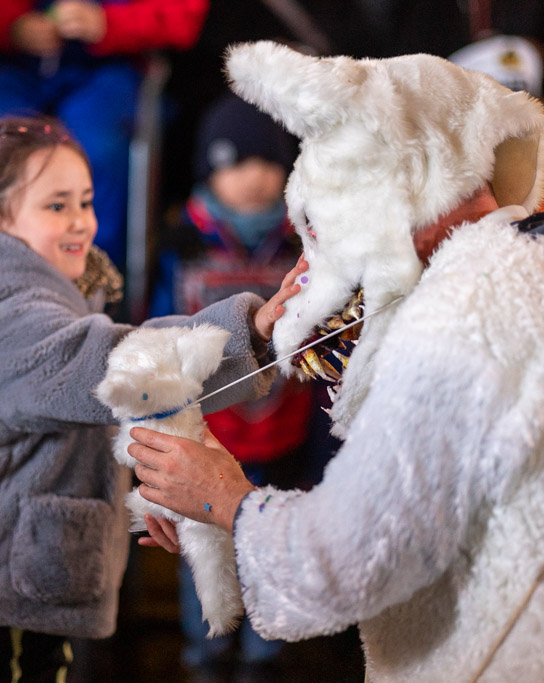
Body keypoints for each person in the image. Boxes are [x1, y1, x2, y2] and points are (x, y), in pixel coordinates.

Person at [131, 41, 544, 681]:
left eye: (323, 228)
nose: (311, 271)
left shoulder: (469, 316)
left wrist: (225, 499)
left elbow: (345, 561)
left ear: (382, 191)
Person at [0, 114, 306, 680]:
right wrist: (249, 331)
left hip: (13, 587)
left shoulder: (46, 300)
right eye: (56, 206)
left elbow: (102, 405)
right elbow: (116, 368)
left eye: (84, 201)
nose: (82, 221)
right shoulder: (9, 320)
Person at [151, 91, 330, 680]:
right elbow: (154, 342)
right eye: (235, 163)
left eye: (267, 162)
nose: (253, 177)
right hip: (206, 440)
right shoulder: (182, 246)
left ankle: (263, 655)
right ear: (210, 170)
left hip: (285, 435)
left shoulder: (309, 243)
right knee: (202, 555)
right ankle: (205, 652)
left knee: (272, 547)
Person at [0, 0, 208, 275]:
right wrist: (12, 27)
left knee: (96, 154)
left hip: (110, 63)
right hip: (16, 64)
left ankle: (92, 281)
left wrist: (109, 24)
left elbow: (183, 15)